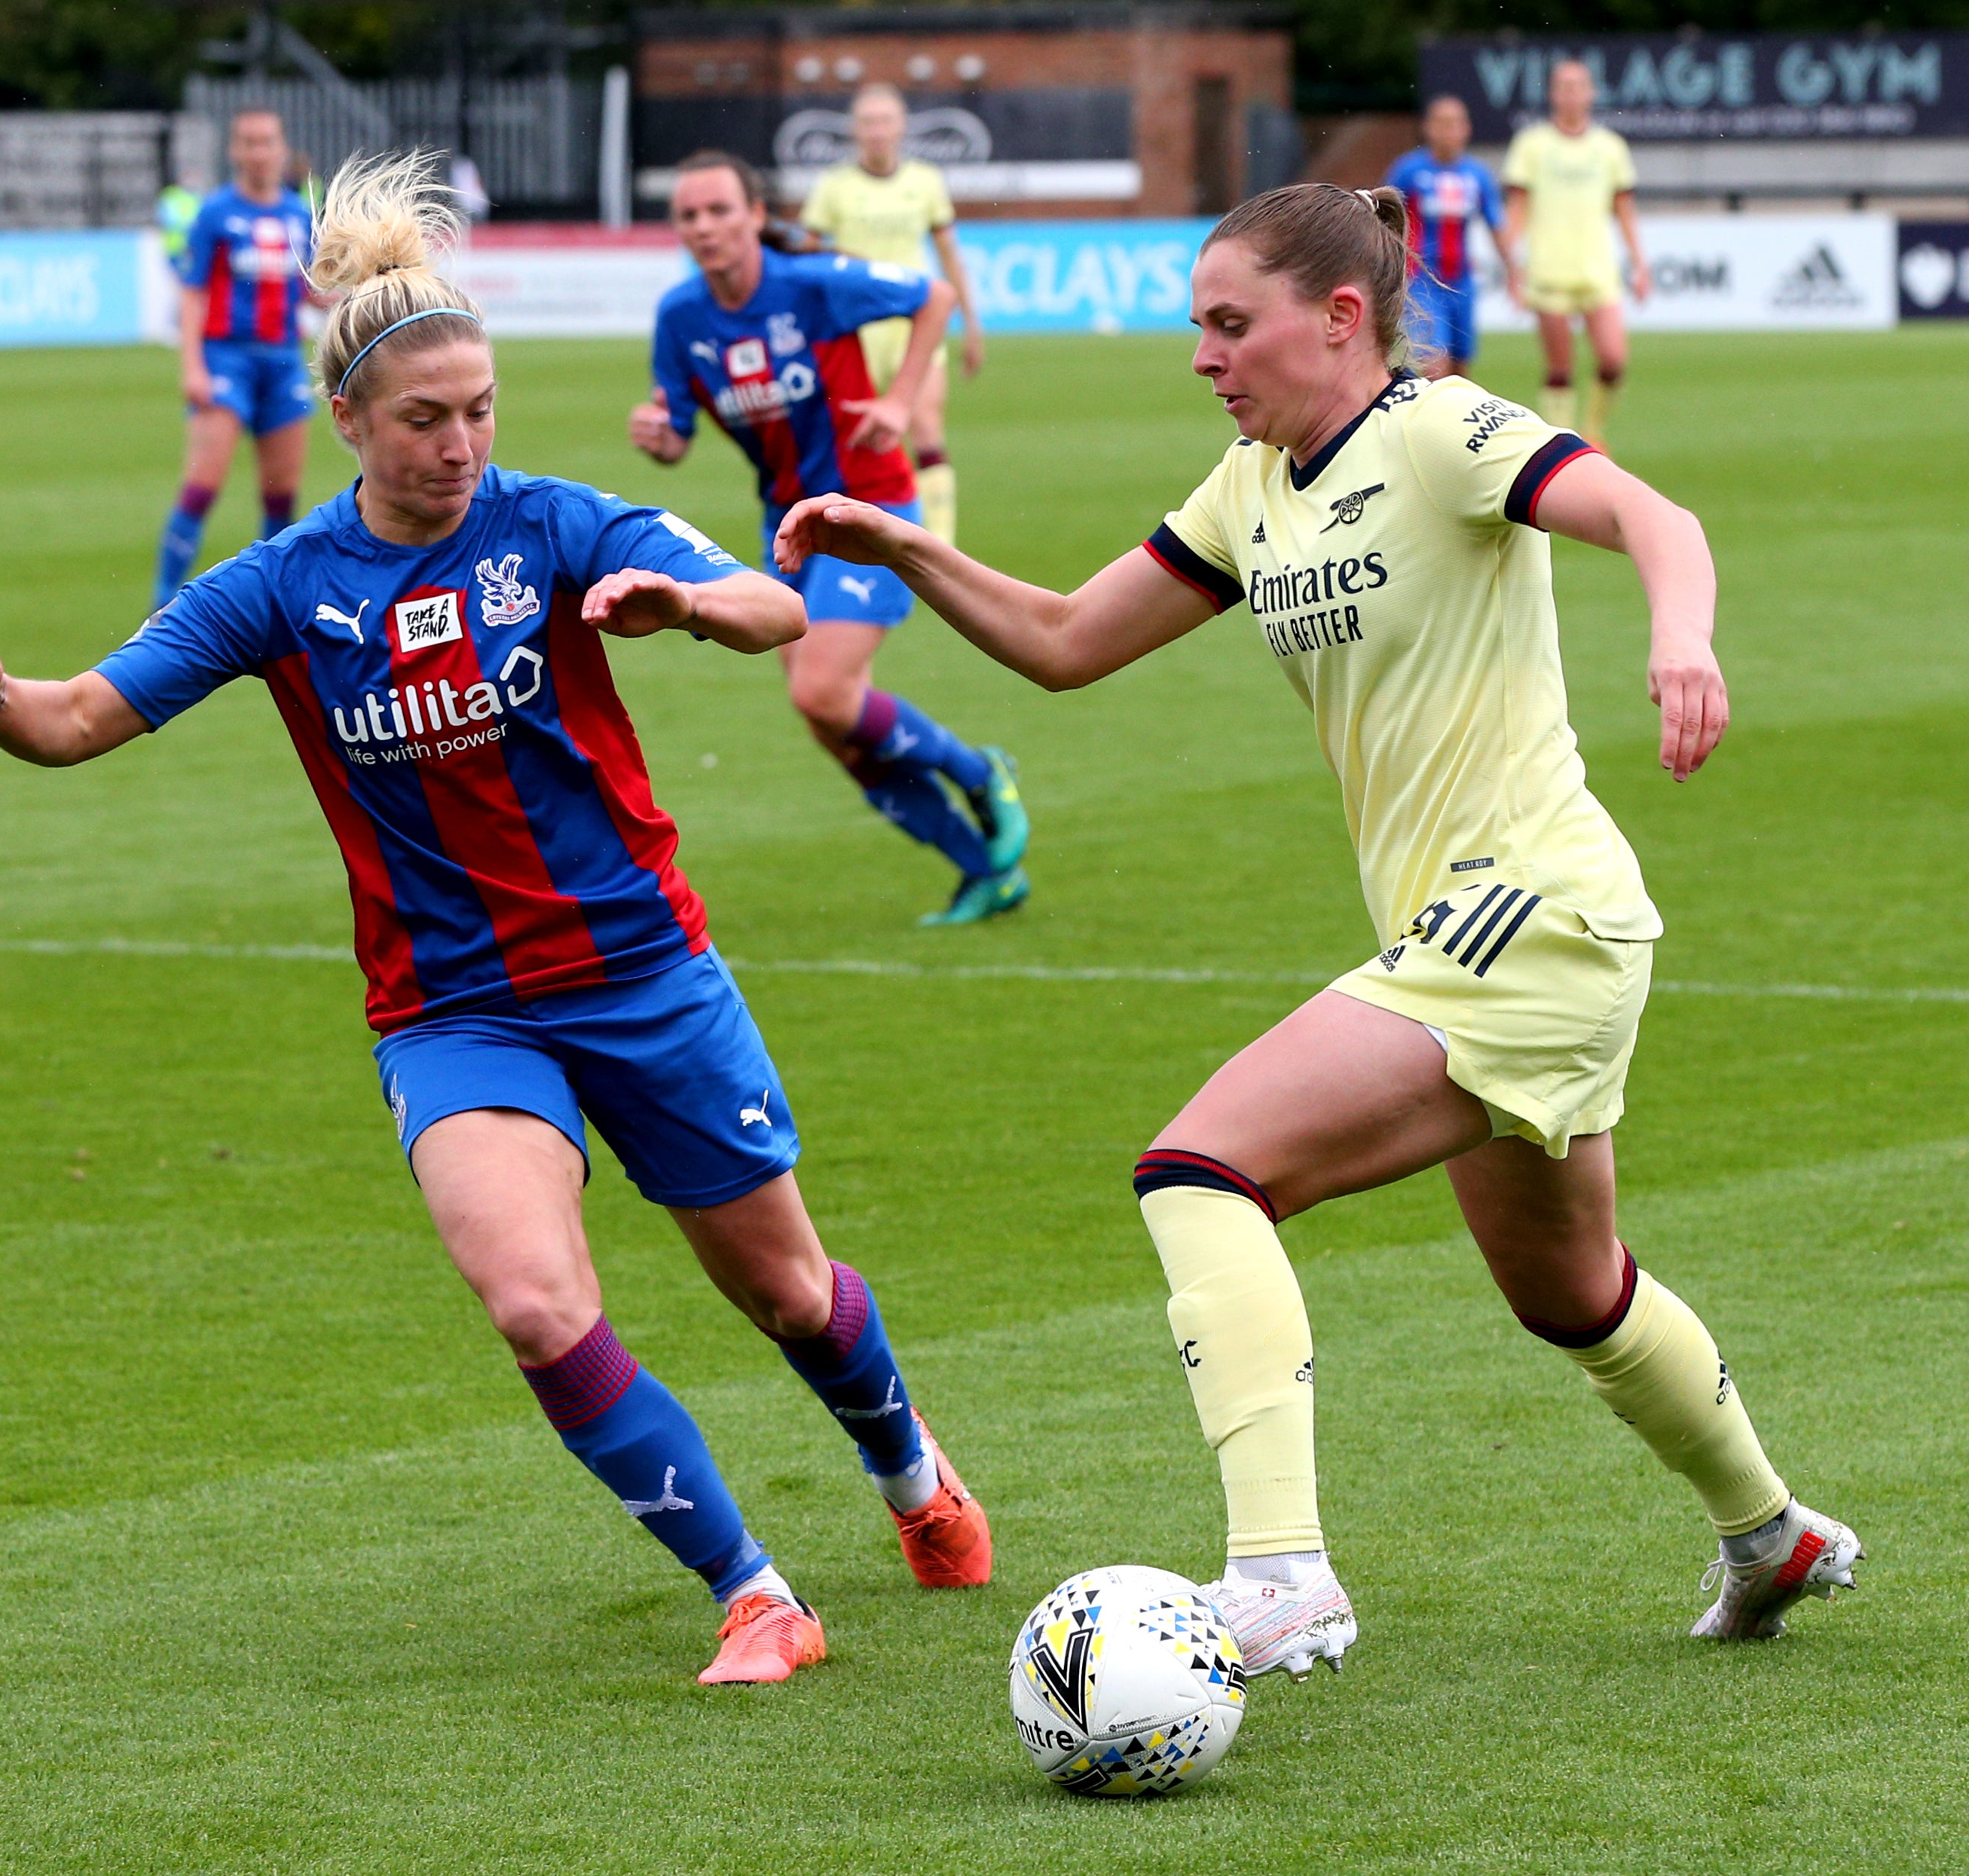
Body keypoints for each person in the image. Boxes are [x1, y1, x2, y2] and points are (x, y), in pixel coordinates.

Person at [0, 152, 992, 1688]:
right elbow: (80, 714)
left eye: (480, 408)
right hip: (454, 1008)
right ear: (347, 417)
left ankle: (910, 1473)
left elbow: (777, 605)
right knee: (536, 1297)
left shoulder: (555, 526)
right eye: (425, 419)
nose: (461, 443)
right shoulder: (281, 585)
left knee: (787, 1291)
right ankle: (755, 1591)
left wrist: (681, 604)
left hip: (640, 968)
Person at [774, 182, 1861, 1673]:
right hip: (1498, 932)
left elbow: (1649, 514)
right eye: (1199, 328)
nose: (1206, 357)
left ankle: (1280, 1570)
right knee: (1568, 1288)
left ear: (1339, 316)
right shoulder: (1251, 486)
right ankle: (1769, 1526)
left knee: (1200, 1168)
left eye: (1232, 324)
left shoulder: (1439, 431)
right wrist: (908, 551)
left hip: (1531, 908)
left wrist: (1681, 635)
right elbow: (1067, 642)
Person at [632, 149, 1030, 928]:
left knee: (821, 689)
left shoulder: (812, 286)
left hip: (868, 509)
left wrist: (901, 403)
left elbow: (935, 294)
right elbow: (675, 431)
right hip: (785, 523)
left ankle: (980, 774)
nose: (704, 226)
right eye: (688, 214)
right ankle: (982, 867)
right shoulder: (681, 318)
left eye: (719, 209)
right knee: (826, 720)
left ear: (754, 215)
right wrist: (657, 436)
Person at [796, 83, 986, 546]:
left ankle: (938, 545)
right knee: (855, 438)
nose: (877, 132)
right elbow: (806, 258)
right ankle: (847, 538)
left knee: (926, 429)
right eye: (868, 122)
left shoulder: (924, 182)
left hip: (913, 326)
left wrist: (972, 326)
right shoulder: (833, 188)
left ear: (901, 128)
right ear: (855, 131)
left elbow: (949, 256)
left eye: (885, 121)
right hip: (854, 332)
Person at [155, 109, 320, 607]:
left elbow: (313, 291)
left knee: (281, 495)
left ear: (282, 148)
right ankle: (162, 603)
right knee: (203, 485)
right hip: (226, 360)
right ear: (234, 151)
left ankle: (275, 603)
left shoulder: (298, 214)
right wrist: (192, 366)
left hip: (284, 360)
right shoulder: (215, 213)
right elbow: (193, 292)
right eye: (248, 142)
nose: (258, 152)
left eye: (266, 141)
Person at [1501, 62, 1648, 451]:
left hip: (1598, 271)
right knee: (1560, 368)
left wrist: (1640, 263)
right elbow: (1517, 208)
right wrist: (1509, 262)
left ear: (1591, 93)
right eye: (1563, 86)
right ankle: (1565, 443)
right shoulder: (1532, 145)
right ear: (1552, 93)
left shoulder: (1610, 147)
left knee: (1614, 359)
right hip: (1549, 270)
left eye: (1578, 85)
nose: (1570, 93)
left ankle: (1594, 429)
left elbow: (1624, 211)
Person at [1383, 95, 1517, 381]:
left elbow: (1496, 225)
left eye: (1455, 123)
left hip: (1462, 284)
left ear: (1466, 129)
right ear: (1427, 128)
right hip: (1422, 282)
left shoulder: (1477, 175)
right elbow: (1383, 221)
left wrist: (1514, 271)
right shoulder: (1408, 171)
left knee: (1460, 370)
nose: (1448, 130)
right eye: (1441, 123)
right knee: (1434, 367)